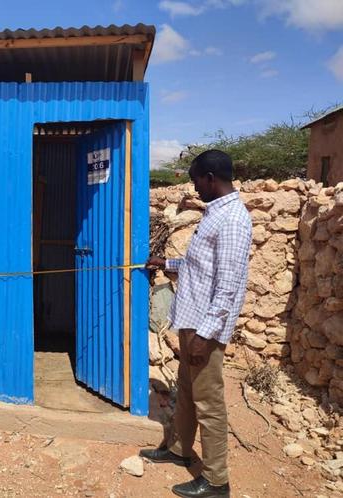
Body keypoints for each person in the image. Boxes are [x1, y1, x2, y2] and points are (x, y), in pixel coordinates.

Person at [140, 150, 252, 498]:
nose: (194, 188)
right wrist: (167, 261)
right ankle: (179, 450)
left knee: (209, 404)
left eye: (195, 181)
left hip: (205, 328)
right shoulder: (215, 214)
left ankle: (217, 480)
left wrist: (206, 335)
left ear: (210, 178)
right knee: (187, 393)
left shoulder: (232, 218)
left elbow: (229, 282)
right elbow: (199, 265)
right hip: (192, 322)